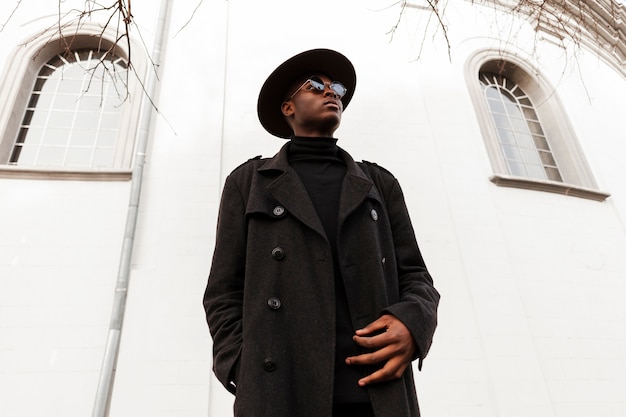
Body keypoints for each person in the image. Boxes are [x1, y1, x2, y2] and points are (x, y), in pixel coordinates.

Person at [203, 48, 440, 417]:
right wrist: (241, 365)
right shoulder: (249, 183)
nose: (331, 92)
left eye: (337, 87)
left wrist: (413, 325)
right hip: (278, 391)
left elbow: (416, 277)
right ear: (288, 108)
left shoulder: (379, 183)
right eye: (315, 85)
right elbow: (223, 291)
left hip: (377, 391)